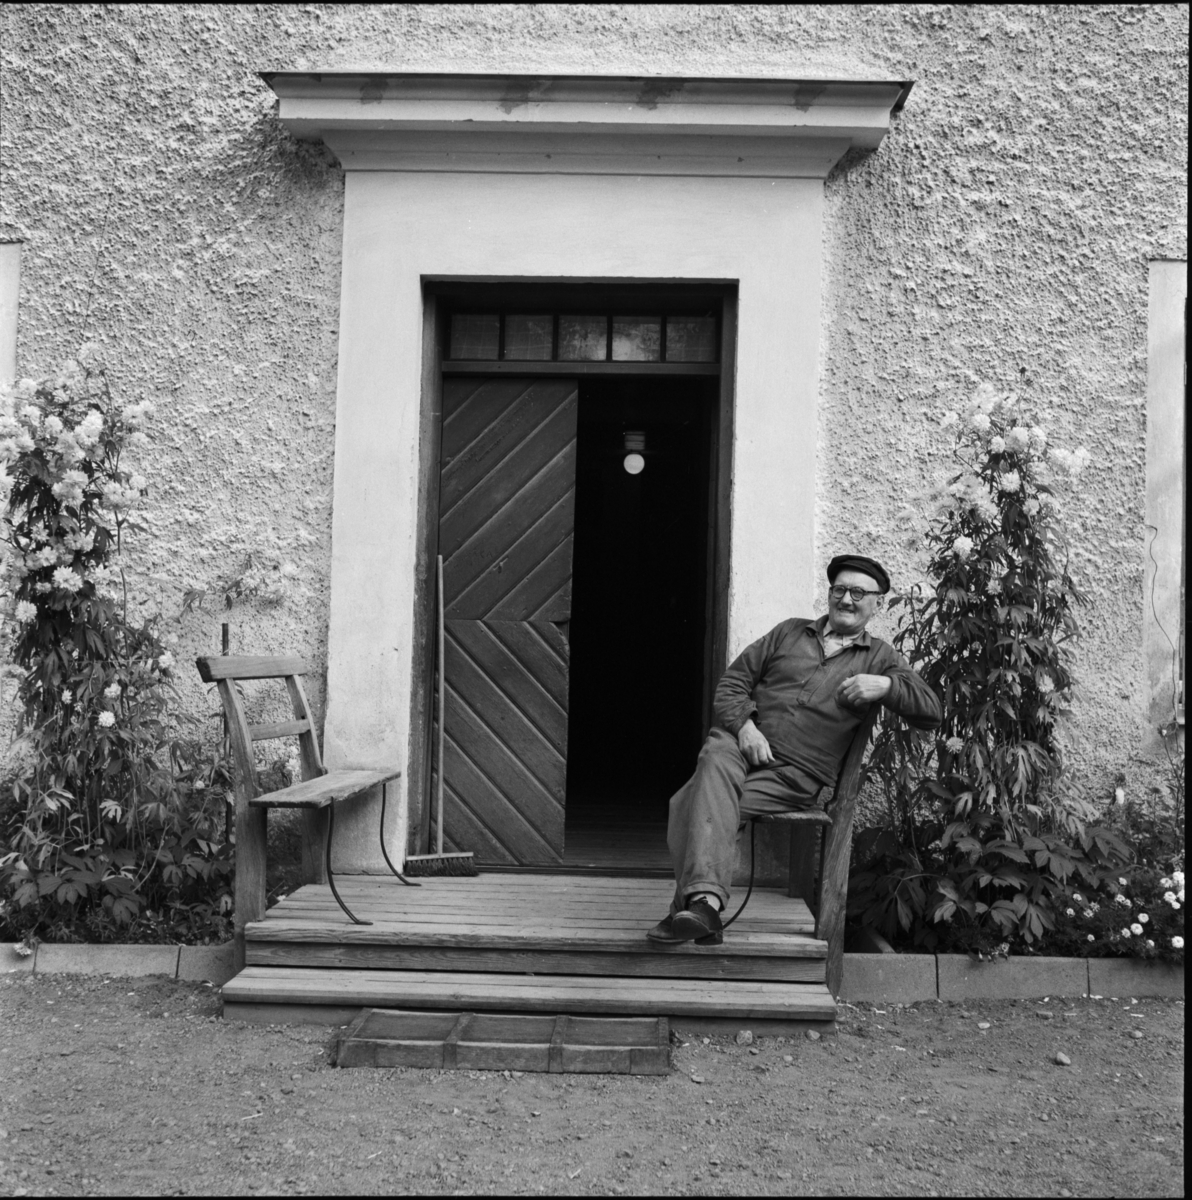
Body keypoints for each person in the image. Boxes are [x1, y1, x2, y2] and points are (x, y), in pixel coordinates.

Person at [647, 554, 942, 946]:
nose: (846, 599)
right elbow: (732, 683)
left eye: (858, 593)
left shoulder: (880, 658)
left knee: (688, 803)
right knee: (716, 752)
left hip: (793, 775)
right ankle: (704, 908)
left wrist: (887, 686)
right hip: (738, 748)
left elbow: (932, 712)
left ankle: (694, 911)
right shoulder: (789, 632)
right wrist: (746, 727)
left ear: (877, 603)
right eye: (839, 589)